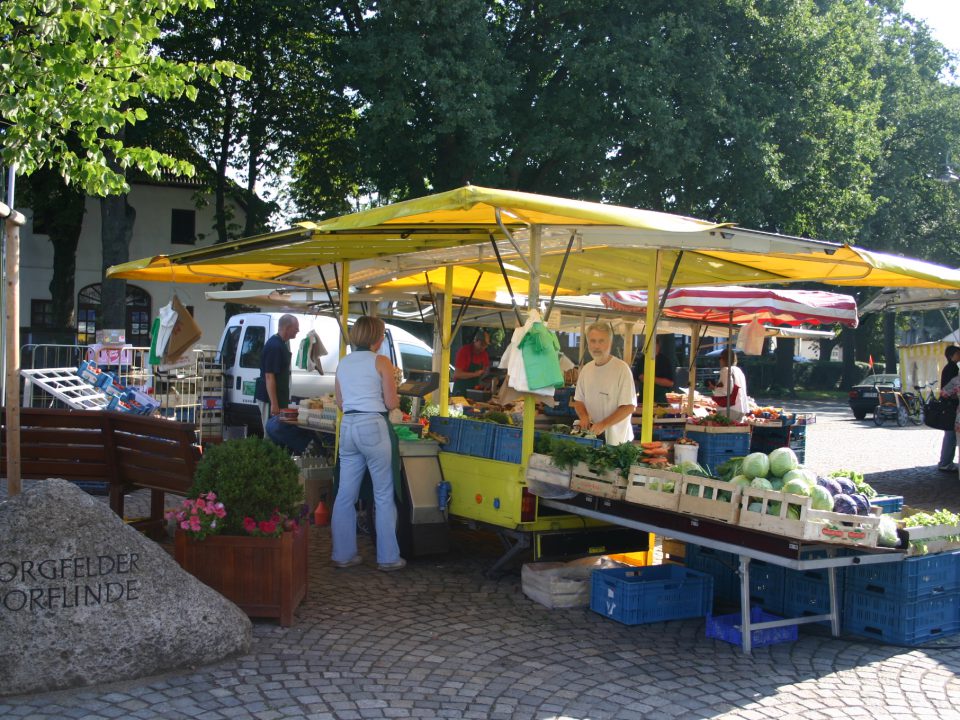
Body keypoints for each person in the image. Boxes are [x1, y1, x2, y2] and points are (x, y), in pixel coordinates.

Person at [330, 316, 405, 571]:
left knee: (344, 495)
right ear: (378, 337)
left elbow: (340, 403)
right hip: (374, 425)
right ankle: (388, 558)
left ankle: (343, 554)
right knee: (383, 495)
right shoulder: (381, 361)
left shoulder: (343, 364)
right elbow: (392, 403)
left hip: (349, 427)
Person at [572, 322, 637, 446]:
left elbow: (629, 406)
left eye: (601, 341)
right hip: (592, 440)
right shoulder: (586, 369)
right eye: (593, 341)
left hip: (618, 443)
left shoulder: (621, 369)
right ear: (588, 343)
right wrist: (584, 416)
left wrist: (604, 424)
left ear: (610, 343)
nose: (596, 346)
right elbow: (578, 401)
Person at [254, 314, 300, 433]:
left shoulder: (281, 344)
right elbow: (269, 376)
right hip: (269, 398)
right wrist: (274, 404)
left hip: (278, 397)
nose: (298, 331)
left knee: (278, 431)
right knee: (270, 431)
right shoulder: (274, 346)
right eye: (296, 328)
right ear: (288, 328)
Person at [938, 345, 960, 472]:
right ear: (952, 355)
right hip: (951, 406)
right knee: (951, 435)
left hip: (950, 405)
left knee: (950, 434)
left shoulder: (949, 367)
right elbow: (948, 390)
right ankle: (945, 462)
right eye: (958, 353)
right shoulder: (952, 368)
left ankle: (945, 461)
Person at [712, 349, 749, 421]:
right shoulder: (738, 370)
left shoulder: (726, 370)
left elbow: (727, 390)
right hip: (741, 408)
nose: (719, 360)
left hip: (729, 409)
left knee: (723, 430)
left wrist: (714, 389)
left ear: (724, 359)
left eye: (720, 358)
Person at [635, 338, 675, 404]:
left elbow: (670, 383)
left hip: (660, 401)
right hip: (643, 400)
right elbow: (635, 379)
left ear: (658, 346)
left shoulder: (664, 361)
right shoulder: (641, 360)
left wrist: (649, 378)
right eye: (646, 345)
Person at [452, 329, 491, 395]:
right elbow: (457, 374)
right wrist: (475, 374)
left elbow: (485, 373)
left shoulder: (484, 354)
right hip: (461, 391)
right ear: (475, 340)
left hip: (474, 391)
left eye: (486, 345)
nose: (484, 347)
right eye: (482, 344)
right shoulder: (464, 351)